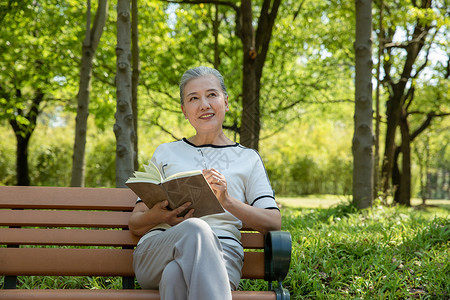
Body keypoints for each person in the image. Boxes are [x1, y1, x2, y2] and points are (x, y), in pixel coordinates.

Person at [128, 66, 281, 300]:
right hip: (158, 250)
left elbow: (273, 222)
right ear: (184, 110)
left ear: (226, 102)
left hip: (223, 255)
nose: (204, 104)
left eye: (212, 95)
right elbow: (135, 224)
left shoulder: (248, 158)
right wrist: (162, 216)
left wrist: (227, 201)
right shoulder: (165, 152)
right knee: (196, 228)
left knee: (174, 276)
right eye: (193, 98)